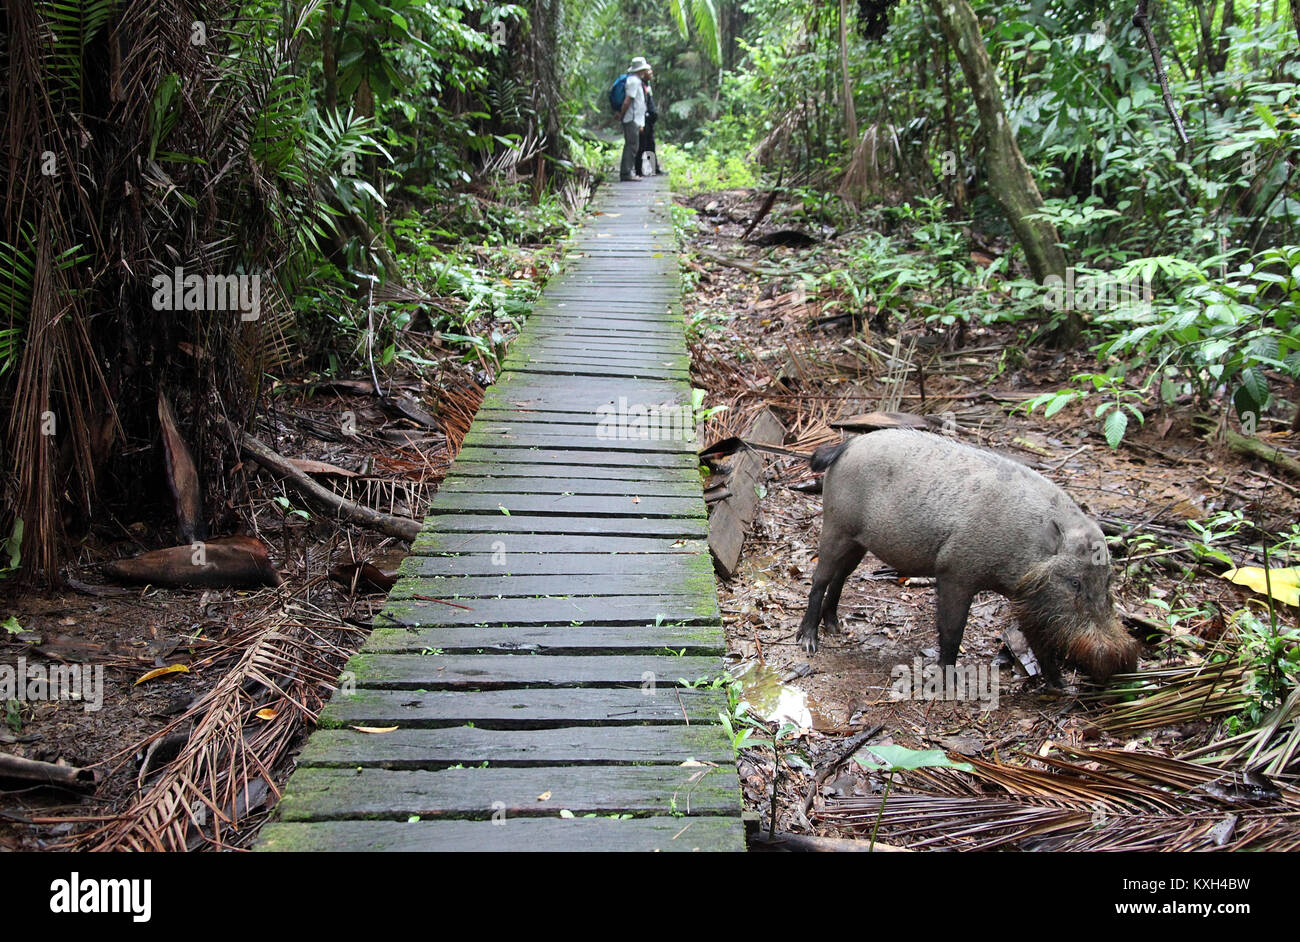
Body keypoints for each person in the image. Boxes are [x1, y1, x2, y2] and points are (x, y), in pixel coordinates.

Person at [618, 56, 652, 181]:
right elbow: (628, 100)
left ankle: (628, 172)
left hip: (635, 119)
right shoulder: (633, 81)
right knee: (631, 146)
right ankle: (626, 173)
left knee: (633, 146)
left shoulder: (636, 81)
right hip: (631, 119)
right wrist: (622, 115)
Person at [636, 68, 661, 176]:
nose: (651, 73)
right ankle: (638, 170)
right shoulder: (640, 85)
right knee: (642, 145)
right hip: (643, 119)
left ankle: (654, 168)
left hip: (649, 120)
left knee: (650, 144)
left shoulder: (646, 84)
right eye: (648, 71)